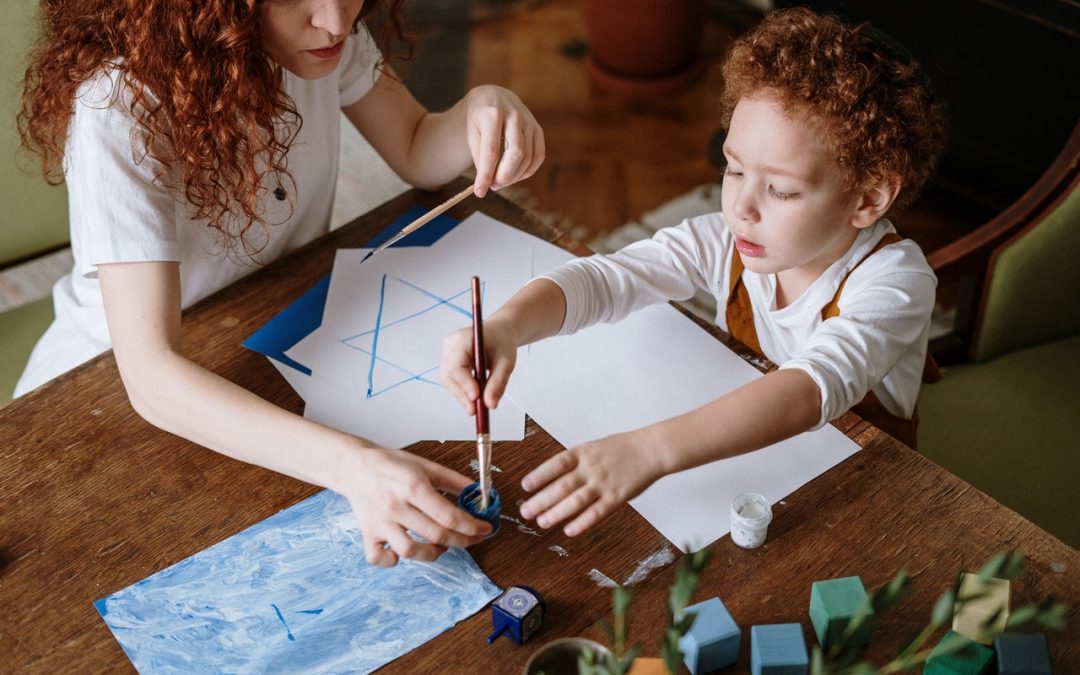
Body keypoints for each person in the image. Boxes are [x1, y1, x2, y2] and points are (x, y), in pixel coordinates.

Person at [17, 0, 545, 566]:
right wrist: (354, 465)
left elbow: (417, 147)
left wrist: (484, 108)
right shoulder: (118, 109)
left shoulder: (317, 39)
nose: (338, 22)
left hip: (275, 330)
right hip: (102, 400)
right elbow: (150, 376)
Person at [440, 7, 945, 537]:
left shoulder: (895, 281)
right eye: (734, 168)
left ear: (867, 198)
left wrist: (649, 450)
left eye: (781, 189)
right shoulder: (726, 241)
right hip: (759, 463)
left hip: (867, 484)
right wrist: (507, 327)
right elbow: (609, 279)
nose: (741, 207)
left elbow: (810, 388)